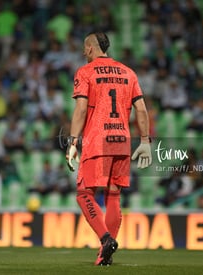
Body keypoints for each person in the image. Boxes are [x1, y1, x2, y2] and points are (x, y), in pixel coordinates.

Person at [65, 32, 152, 266]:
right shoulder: (128, 72)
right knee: (113, 195)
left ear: (91, 49)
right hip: (122, 140)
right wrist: (145, 141)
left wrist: (73, 142)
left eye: (85, 48)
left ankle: (105, 239)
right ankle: (105, 254)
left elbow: (81, 110)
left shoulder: (85, 72)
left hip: (98, 139)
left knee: (85, 194)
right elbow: (142, 110)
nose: (84, 52)